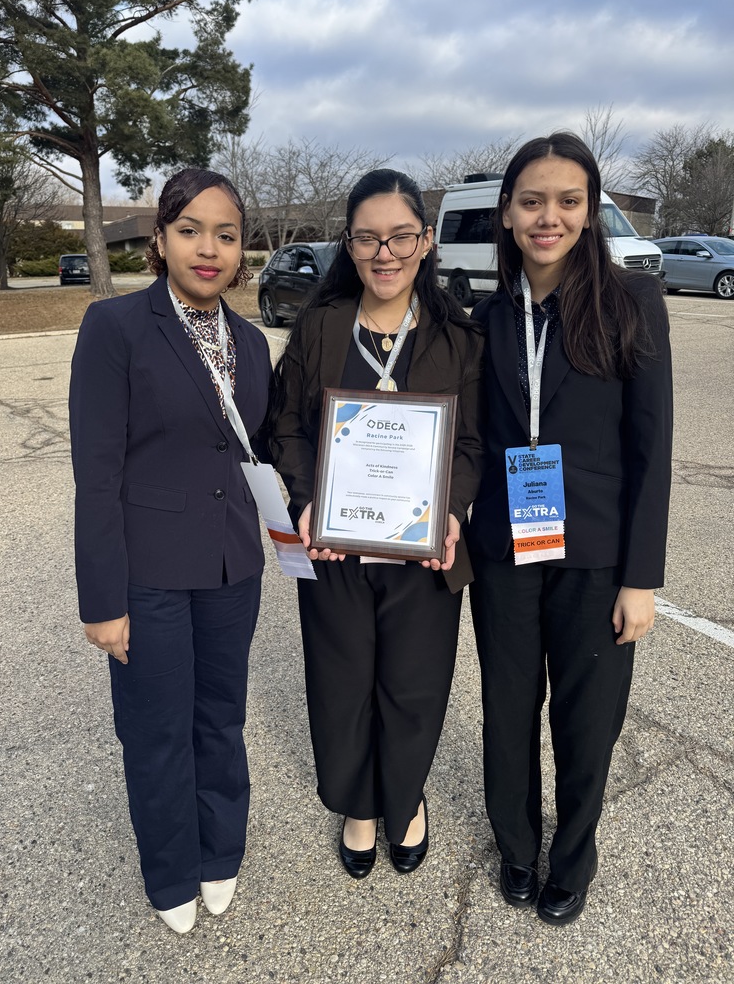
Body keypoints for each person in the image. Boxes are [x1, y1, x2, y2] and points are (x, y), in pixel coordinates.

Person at [466, 133, 672, 925]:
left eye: (567, 201)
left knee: (587, 724)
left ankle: (574, 856)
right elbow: (469, 440)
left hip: (596, 558)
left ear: (589, 212)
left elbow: (651, 448)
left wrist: (641, 579)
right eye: (531, 201)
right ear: (507, 214)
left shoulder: (632, 303)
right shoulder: (487, 317)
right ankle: (517, 846)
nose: (547, 217)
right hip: (504, 554)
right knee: (508, 712)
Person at [69, 169, 272, 933]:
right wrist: (103, 601)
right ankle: (171, 872)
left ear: (241, 249)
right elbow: (97, 474)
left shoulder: (251, 343)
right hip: (148, 573)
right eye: (190, 231)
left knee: (220, 721)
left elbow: (258, 455)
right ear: (160, 239)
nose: (208, 249)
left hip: (231, 569)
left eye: (226, 234)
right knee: (157, 732)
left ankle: (221, 851)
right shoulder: (116, 327)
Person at [270, 169, 483, 878]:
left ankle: (405, 796)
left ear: (426, 241)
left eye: (399, 237)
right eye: (367, 239)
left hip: (422, 557)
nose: (384, 253)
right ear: (350, 245)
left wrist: (451, 510)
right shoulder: (322, 326)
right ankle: (359, 804)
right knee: (341, 685)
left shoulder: (459, 336)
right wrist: (307, 498)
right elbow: (286, 427)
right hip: (337, 551)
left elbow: (472, 444)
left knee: (413, 688)